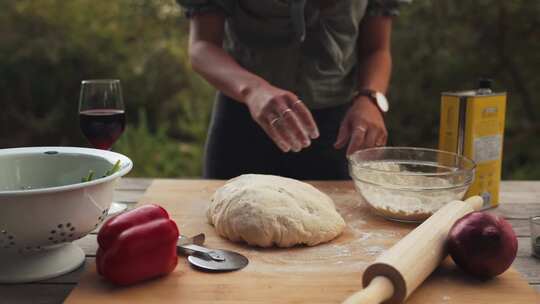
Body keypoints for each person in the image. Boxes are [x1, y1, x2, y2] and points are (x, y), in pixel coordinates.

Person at [177, 0, 410, 180]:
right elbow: (202, 46)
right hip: (243, 121)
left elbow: (376, 49)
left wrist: (370, 98)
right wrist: (253, 89)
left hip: (339, 131)